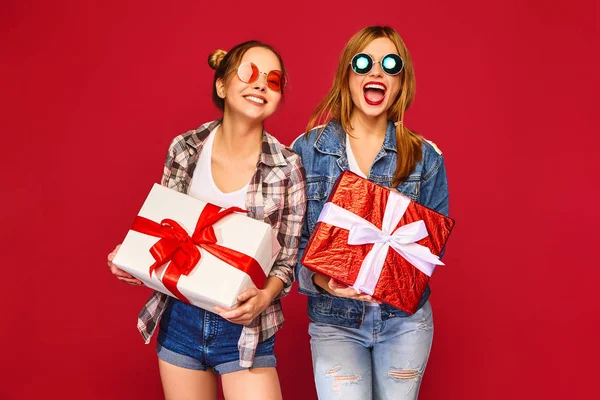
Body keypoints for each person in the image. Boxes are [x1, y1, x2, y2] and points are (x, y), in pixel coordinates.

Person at [107, 40, 306, 400]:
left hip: (246, 328)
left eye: (273, 80)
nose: (261, 84)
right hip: (180, 320)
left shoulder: (287, 167)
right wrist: (133, 261)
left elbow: (287, 260)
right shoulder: (185, 148)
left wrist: (264, 298)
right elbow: (166, 230)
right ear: (221, 85)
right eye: (249, 73)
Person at [292, 26, 449, 400]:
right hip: (334, 324)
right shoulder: (306, 149)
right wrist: (321, 281)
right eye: (364, 63)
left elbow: (432, 249)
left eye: (390, 65)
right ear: (347, 75)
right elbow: (289, 245)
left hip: (404, 324)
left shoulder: (425, 156)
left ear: (401, 83)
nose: (376, 73)